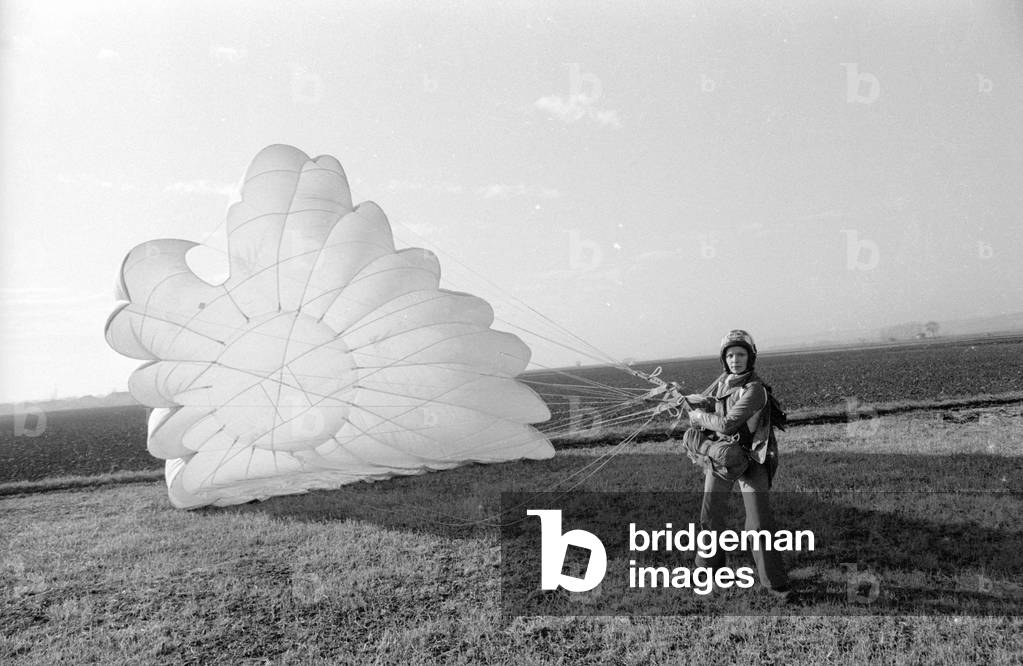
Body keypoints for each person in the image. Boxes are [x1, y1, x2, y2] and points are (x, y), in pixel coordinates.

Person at [682, 329, 791, 599]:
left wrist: (697, 416)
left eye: (740, 354)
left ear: (750, 357)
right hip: (724, 457)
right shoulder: (725, 382)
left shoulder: (755, 389)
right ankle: (707, 568)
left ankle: (774, 582)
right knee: (711, 514)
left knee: (759, 522)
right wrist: (687, 399)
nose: (735, 360)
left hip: (753, 460)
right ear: (724, 359)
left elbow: (727, 422)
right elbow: (715, 404)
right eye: (730, 355)